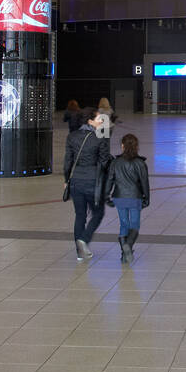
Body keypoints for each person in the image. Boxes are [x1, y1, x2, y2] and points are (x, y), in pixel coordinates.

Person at [64, 107, 111, 261]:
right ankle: (84, 240)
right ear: (90, 121)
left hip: (76, 181)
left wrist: (66, 180)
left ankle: (80, 253)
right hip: (93, 181)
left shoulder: (72, 137)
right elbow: (104, 162)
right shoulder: (100, 138)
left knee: (80, 215)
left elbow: (68, 162)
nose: (101, 121)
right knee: (98, 213)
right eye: (98, 119)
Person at [107, 133, 149, 264]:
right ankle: (128, 247)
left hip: (119, 197)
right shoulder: (140, 163)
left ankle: (124, 254)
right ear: (137, 147)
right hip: (134, 197)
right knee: (134, 225)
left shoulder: (115, 162)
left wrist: (106, 196)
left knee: (123, 224)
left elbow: (110, 180)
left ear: (122, 146)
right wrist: (147, 198)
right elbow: (144, 183)